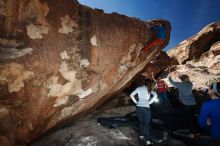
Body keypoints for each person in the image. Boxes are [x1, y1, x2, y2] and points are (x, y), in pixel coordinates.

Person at [130, 78, 158, 145]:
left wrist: (136, 102)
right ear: (150, 84)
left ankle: (141, 135)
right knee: (147, 125)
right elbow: (156, 95)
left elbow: (131, 95)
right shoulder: (149, 89)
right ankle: (147, 140)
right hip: (146, 108)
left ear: (144, 83)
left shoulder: (139, 88)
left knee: (141, 122)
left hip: (138, 107)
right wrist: (149, 102)